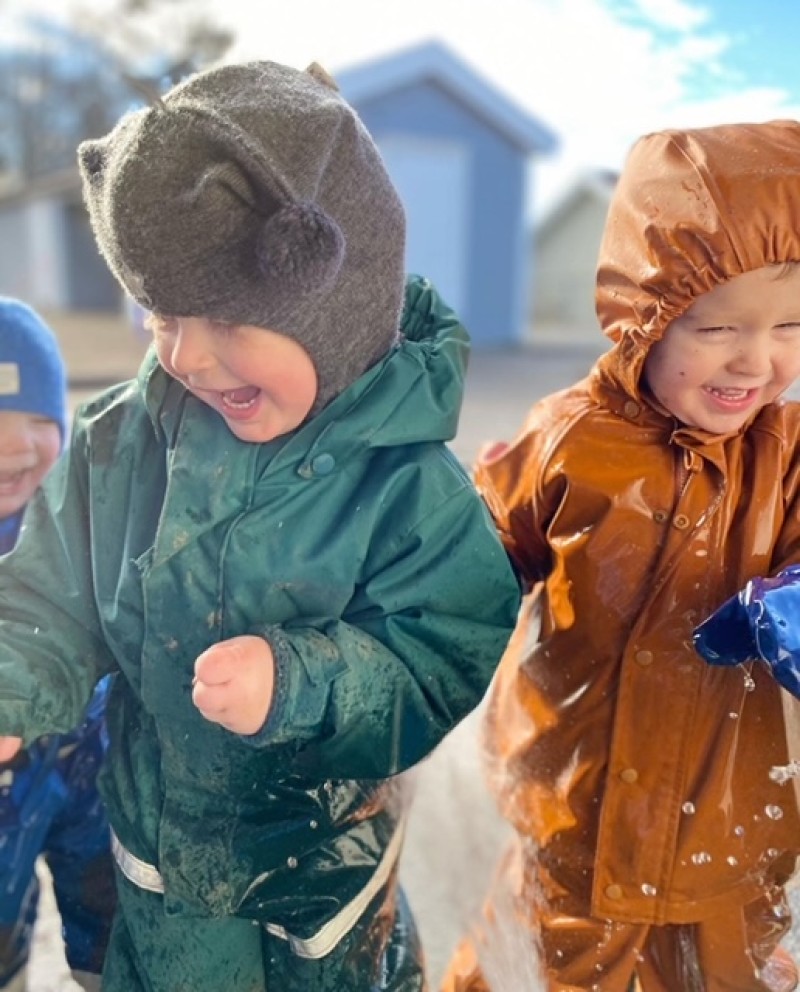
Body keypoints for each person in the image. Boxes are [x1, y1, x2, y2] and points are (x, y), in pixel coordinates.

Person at [0, 60, 521, 992]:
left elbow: (443, 649)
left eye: (229, 320)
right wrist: (9, 683)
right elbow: (52, 592)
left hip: (321, 875)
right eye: (159, 314)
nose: (186, 355)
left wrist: (305, 679)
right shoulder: (123, 443)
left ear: (337, 306)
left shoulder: (408, 486)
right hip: (160, 860)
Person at [441, 119, 800, 992]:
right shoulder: (569, 441)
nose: (756, 359)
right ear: (648, 313)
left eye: (791, 324)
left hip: (726, 819)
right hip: (577, 806)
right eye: (718, 326)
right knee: (532, 967)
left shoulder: (785, 451)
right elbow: (466, 575)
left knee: (728, 973)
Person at [0, 299, 115, 992]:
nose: (13, 447)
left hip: (91, 773)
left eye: (36, 424)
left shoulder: (93, 516)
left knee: (109, 933)